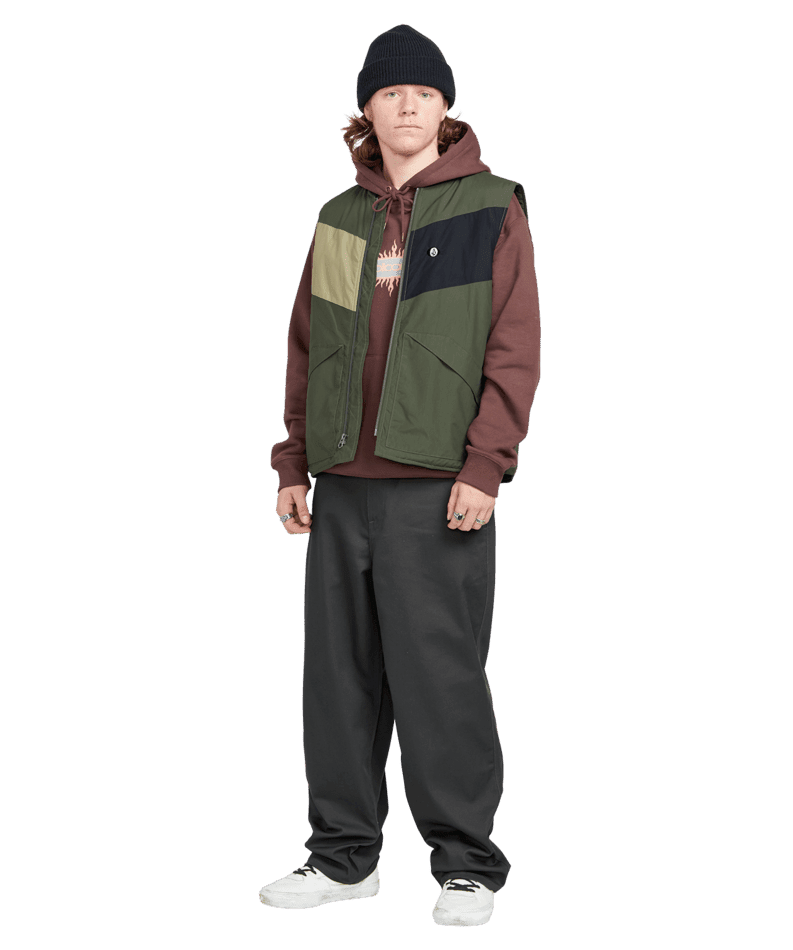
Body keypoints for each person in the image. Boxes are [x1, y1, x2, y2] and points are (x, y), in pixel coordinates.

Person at [259, 24, 541, 928]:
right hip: (342, 483)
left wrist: (486, 464)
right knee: (337, 681)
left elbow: (514, 346)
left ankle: (466, 866)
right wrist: (294, 461)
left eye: (424, 93)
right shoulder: (338, 218)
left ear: (446, 109)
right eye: (391, 93)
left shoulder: (491, 205)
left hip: (440, 486)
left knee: (439, 679)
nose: (408, 105)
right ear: (367, 112)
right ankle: (343, 859)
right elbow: (306, 348)